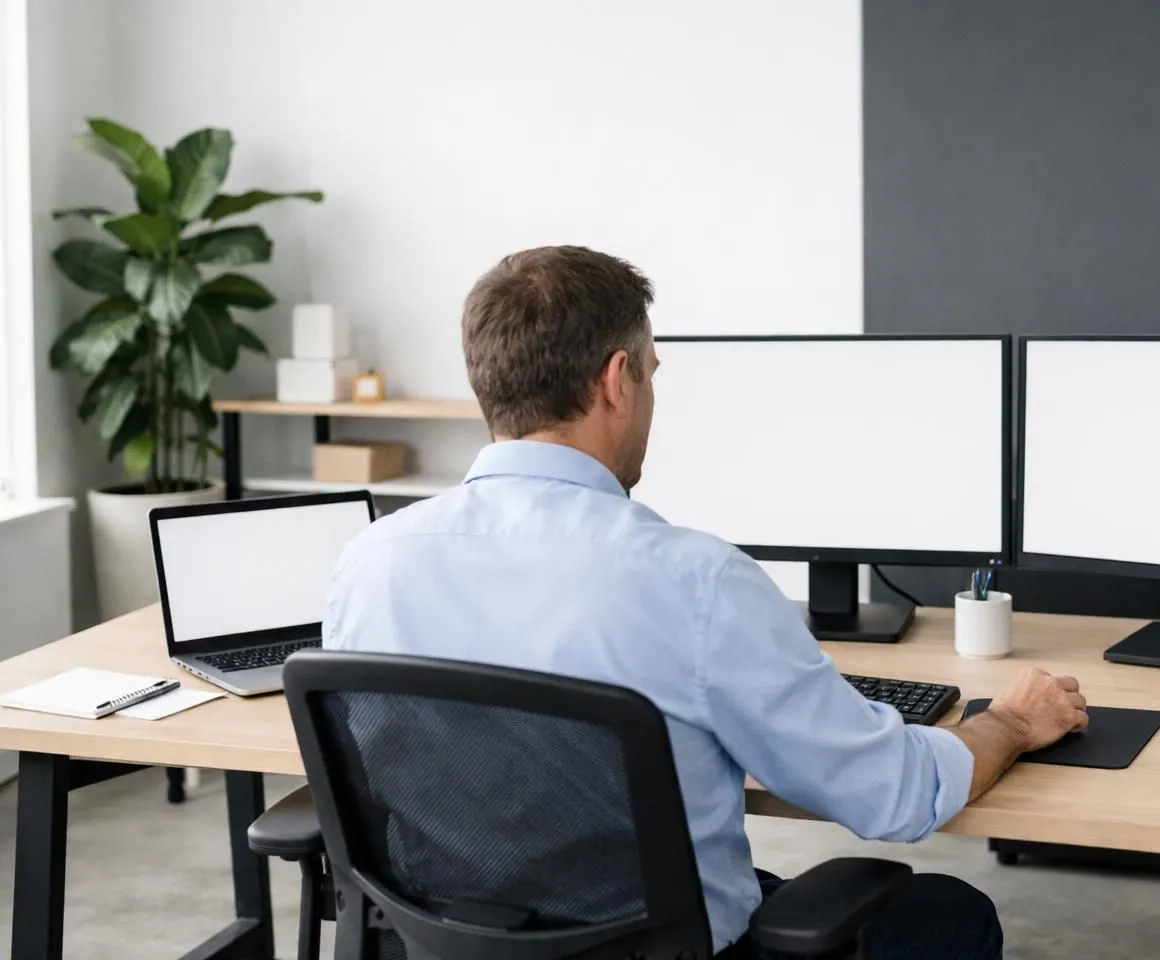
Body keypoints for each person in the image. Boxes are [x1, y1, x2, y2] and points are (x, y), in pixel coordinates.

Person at [326, 246, 1090, 959]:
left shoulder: (370, 563)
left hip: (455, 941)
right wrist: (1012, 722)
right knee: (954, 913)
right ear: (616, 379)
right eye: (653, 374)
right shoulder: (695, 581)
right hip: (662, 946)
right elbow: (897, 796)